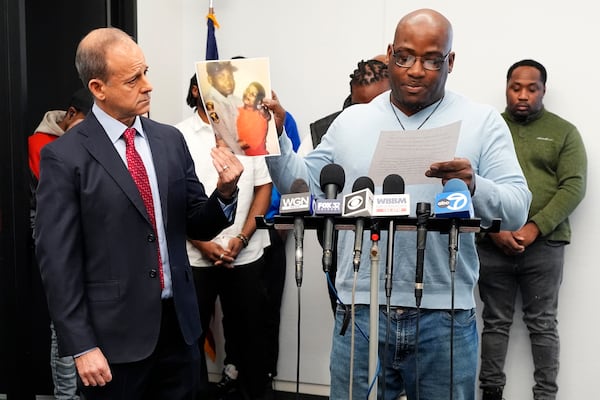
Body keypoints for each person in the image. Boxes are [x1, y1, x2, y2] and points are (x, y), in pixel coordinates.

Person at [262, 8, 531, 400]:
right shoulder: (352, 122)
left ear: (450, 61)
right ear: (389, 54)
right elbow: (303, 187)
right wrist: (273, 140)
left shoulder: (482, 121)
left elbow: (517, 208)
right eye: (404, 57)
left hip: (445, 314)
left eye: (431, 59)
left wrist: (475, 185)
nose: (415, 70)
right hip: (361, 309)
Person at [34, 27, 243, 400]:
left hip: (180, 330)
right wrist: (81, 345)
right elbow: (57, 261)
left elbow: (195, 219)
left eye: (146, 72)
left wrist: (225, 192)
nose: (148, 85)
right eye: (133, 79)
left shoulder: (168, 140)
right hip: (111, 341)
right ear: (98, 88)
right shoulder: (64, 157)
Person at [477, 59, 587, 400]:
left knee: (543, 324)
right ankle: (491, 392)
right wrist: (495, 229)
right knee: (495, 322)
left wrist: (534, 228)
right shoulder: (488, 128)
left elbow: (573, 186)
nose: (523, 95)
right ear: (507, 87)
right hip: (492, 243)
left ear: (543, 90)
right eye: (516, 87)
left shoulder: (563, 131)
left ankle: (545, 395)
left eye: (532, 88)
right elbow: (470, 184)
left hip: (545, 245)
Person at [176, 75, 273, 399]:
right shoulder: (179, 135)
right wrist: (203, 243)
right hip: (195, 256)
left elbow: (263, 188)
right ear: (197, 89)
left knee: (252, 338)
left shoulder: (249, 126)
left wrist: (242, 239)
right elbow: (172, 200)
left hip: (245, 253)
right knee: (190, 340)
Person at [29, 86, 93, 400]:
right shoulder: (41, 144)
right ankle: (66, 396)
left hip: (91, 241)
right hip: (60, 241)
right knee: (65, 324)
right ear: (70, 115)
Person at [310, 57, 390, 147]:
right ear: (351, 101)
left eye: (379, 107)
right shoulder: (322, 133)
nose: (370, 116)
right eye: (361, 109)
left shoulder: (405, 130)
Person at [204, 61, 245, 154]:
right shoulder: (211, 103)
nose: (228, 81)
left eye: (230, 76)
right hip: (227, 155)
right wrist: (242, 155)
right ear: (210, 80)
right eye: (221, 77)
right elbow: (226, 136)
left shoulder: (232, 98)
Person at [236, 81, 271, 156]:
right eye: (247, 91)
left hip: (258, 161)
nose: (247, 95)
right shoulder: (236, 111)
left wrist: (227, 144)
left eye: (252, 94)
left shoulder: (261, 117)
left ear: (258, 101)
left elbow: (247, 144)